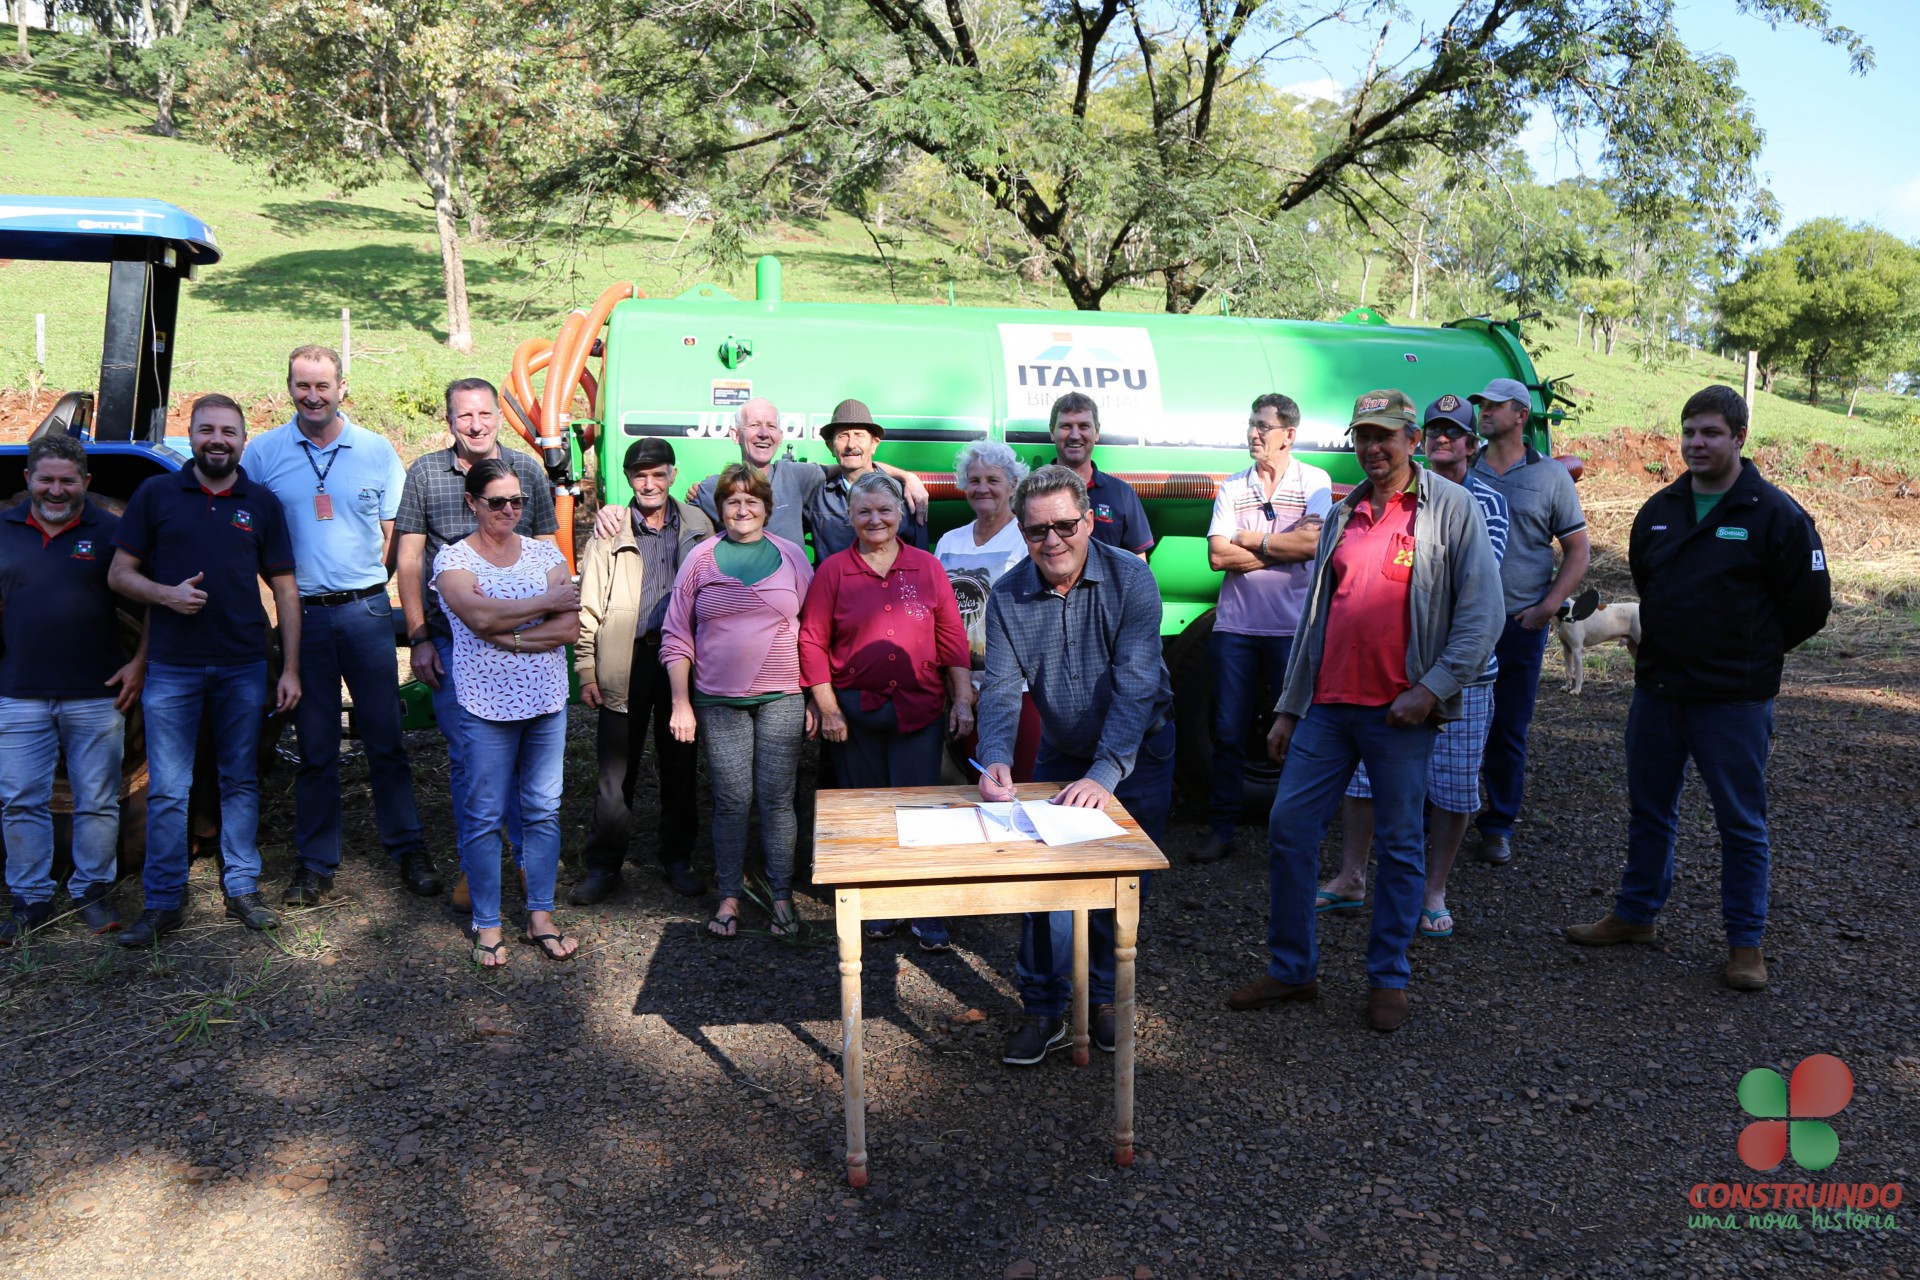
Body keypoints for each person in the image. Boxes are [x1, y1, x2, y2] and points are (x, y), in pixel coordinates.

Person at [1225, 389, 1501, 1033]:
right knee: (1290, 829)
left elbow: (1481, 615)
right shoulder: (1344, 512)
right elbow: (1315, 619)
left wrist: (1430, 688)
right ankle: (1293, 969)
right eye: (1363, 437)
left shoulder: (1449, 509)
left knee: (1401, 846)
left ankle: (1388, 978)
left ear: (1412, 439)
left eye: (1386, 436)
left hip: (1400, 712)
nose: (1373, 448)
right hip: (1327, 707)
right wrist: (1289, 708)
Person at [1566, 385, 1830, 992]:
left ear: (1739, 438)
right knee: (1649, 809)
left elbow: (1810, 608)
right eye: (1689, 432)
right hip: (1660, 689)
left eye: (1710, 433)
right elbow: (1650, 588)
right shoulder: (1659, 510)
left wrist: (1749, 656)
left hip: (1734, 700)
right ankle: (1635, 915)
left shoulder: (1775, 515)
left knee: (1740, 822)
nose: (1696, 443)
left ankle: (1745, 944)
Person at [976, 465, 1174, 1066]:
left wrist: (1105, 774)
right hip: (1062, 752)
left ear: (1089, 521)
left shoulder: (1132, 579)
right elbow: (1002, 691)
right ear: (1022, 531)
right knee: (1046, 887)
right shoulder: (1007, 596)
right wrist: (995, 760)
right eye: (1037, 531)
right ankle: (1044, 1008)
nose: (1053, 540)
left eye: (1066, 525)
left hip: (1138, 752)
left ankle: (1109, 1000)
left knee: (1117, 885)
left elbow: (1138, 686)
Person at [245, 344, 435, 905]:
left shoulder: (375, 451)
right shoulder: (265, 453)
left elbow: (396, 534)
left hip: (366, 612)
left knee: (386, 738)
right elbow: (250, 529)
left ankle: (409, 851)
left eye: (322, 385)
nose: (312, 395)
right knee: (316, 745)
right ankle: (315, 863)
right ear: (288, 387)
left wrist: (364, 579)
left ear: (341, 387)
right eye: (302, 385)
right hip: (301, 616)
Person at [109, 394, 303, 946]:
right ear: (189, 435)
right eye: (206, 430)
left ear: (243, 440)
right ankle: (163, 901)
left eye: (228, 431)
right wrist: (164, 594)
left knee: (240, 779)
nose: (217, 439)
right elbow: (121, 575)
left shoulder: (260, 503)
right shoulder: (156, 494)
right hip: (173, 668)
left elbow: (285, 590)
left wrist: (289, 668)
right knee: (170, 787)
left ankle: (242, 887)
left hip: (243, 664)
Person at [1317, 395, 1510, 940]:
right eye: (1438, 430)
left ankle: (1433, 891)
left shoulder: (1480, 503)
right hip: (1386, 677)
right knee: (1362, 782)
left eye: (1455, 433)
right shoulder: (1367, 503)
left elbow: (1472, 596)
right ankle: (1353, 875)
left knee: (1451, 786)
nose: (1445, 439)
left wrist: (1434, 679)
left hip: (1462, 676)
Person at [396, 378, 561, 906]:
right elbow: (409, 559)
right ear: (450, 421)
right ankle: (478, 865)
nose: (476, 424)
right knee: (471, 759)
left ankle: (521, 865)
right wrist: (418, 635)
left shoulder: (526, 473)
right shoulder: (426, 473)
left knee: (528, 769)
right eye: (464, 415)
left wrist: (524, 631)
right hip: (452, 642)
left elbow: (550, 565)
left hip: (529, 643)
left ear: (497, 416)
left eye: (484, 413)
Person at [800, 470, 972, 951]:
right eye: (864, 511)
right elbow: (812, 641)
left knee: (921, 808)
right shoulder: (833, 570)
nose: (875, 519)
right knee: (868, 809)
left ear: (900, 515)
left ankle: (925, 910)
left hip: (919, 709)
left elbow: (951, 637)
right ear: (850, 517)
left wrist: (961, 697)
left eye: (884, 510)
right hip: (854, 714)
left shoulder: (926, 567)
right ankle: (878, 904)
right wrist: (828, 707)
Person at [431, 459, 581, 967]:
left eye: (516, 501)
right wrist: (545, 599)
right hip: (483, 705)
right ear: (472, 502)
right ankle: (488, 923)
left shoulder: (544, 552)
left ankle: (540, 914)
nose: (509, 510)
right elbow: (474, 617)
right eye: (497, 501)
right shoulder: (453, 561)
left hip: (544, 701)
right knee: (485, 815)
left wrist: (509, 638)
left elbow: (567, 629)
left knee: (542, 809)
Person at [0, 435, 146, 943]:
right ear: (28, 481)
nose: (56, 491)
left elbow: (156, 602)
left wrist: (140, 665)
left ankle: (91, 888)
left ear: (86, 482)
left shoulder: (113, 531)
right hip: (19, 693)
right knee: (20, 798)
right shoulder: (2, 529)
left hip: (95, 692)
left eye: (67, 481)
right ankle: (30, 896)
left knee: (99, 799)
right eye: (46, 480)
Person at [660, 463, 815, 940]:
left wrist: (813, 698)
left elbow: (812, 632)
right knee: (731, 800)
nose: (742, 509)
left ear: (767, 509)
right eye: (733, 501)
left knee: (776, 800)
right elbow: (675, 635)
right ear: (720, 508)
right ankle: (729, 896)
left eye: (752, 501)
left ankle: (782, 898)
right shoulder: (701, 560)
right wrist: (680, 703)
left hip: (783, 697)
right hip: (717, 700)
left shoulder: (792, 557)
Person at [571, 438, 715, 905]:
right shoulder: (610, 529)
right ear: (629, 480)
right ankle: (604, 865)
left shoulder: (698, 523)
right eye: (639, 475)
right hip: (625, 660)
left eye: (658, 474)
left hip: (680, 663)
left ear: (673, 474)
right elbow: (589, 600)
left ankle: (677, 858)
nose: (649, 484)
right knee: (616, 770)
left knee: (680, 765)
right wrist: (587, 667)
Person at [1196, 392, 1333, 864]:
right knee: (1229, 731)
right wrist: (1283, 545)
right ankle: (1221, 828)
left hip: (1293, 631)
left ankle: (1293, 835)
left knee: (1296, 733)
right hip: (1235, 628)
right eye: (1251, 423)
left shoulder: (1315, 481)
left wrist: (1251, 540)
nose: (1253, 433)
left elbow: (1315, 546)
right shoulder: (1233, 486)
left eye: (1263, 426)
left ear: (1289, 435)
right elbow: (1217, 557)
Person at [1467, 377, 1590, 867]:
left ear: (1521, 416)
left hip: (1519, 621)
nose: (1484, 413)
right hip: (1462, 621)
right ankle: (1438, 811)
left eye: (1494, 406)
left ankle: (1497, 824)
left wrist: (1547, 606)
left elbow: (1577, 550)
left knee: (1508, 726)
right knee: (1442, 716)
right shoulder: (1464, 466)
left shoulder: (1549, 477)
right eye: (1482, 405)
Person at [599, 397, 928, 551]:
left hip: (796, 606)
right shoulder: (713, 488)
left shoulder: (800, 476)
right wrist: (620, 511)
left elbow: (855, 465)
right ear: (735, 435)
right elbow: (668, 516)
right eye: (753, 425)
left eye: (770, 426)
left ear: (780, 437)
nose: (762, 433)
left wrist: (907, 477)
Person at [934, 440, 1040, 781]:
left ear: (1013, 485)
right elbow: (939, 617)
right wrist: (961, 689)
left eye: (993, 480)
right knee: (979, 783)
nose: (982, 488)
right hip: (964, 689)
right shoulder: (949, 542)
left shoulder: (1027, 539)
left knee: (1021, 783)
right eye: (974, 479)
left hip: (1018, 692)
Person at [801, 399, 928, 560]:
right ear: (830, 446)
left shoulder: (906, 495)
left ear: (874, 444)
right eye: (843, 436)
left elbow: (920, 561)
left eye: (859, 435)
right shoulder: (817, 496)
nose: (851, 444)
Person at [1046, 392, 1154, 558]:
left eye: (1084, 426)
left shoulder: (1121, 494)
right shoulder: (1033, 493)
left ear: (1096, 432)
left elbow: (1139, 562)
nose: (1075, 435)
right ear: (1052, 432)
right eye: (1066, 426)